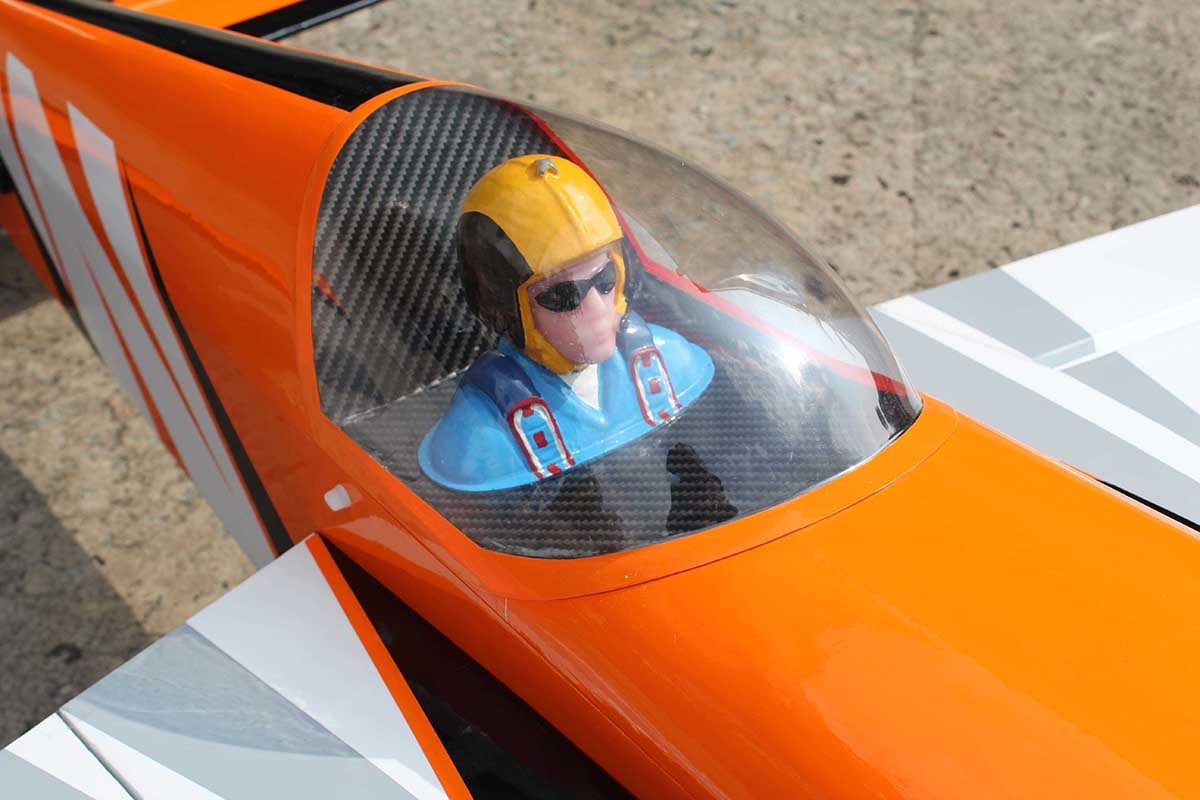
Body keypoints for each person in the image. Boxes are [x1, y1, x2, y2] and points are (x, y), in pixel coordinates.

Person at [419, 154, 714, 492]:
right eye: (563, 296)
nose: (597, 309)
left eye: (605, 279)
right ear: (508, 309)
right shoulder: (482, 436)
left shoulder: (671, 363)